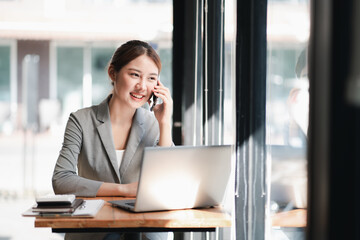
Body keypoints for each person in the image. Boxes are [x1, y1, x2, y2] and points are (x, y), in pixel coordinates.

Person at [52, 40, 173, 240]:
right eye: (134, 74)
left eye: (151, 78)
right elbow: (61, 179)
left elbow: (168, 182)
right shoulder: (81, 120)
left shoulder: (154, 124)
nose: (142, 86)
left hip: (143, 230)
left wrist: (165, 124)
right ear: (112, 73)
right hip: (93, 230)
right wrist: (123, 190)